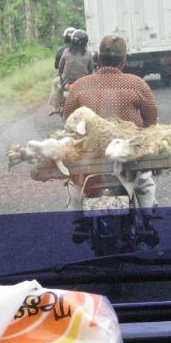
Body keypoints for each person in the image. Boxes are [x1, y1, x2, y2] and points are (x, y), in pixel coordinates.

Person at [62, 34, 159, 211]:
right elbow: (151, 118)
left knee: (75, 184)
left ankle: (75, 219)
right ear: (124, 61)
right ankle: (149, 216)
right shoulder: (137, 84)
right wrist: (144, 134)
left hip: (89, 157)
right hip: (127, 154)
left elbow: (68, 120)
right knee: (144, 182)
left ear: (98, 58)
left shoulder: (79, 86)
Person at [48, 27, 77, 114]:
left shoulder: (61, 50)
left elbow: (57, 66)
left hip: (65, 79)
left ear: (65, 38)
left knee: (56, 83)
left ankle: (55, 107)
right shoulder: (84, 50)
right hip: (80, 78)